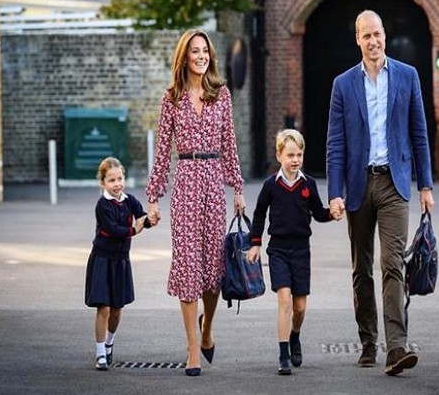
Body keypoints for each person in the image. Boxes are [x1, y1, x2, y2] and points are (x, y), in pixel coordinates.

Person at [326, 10, 435, 376]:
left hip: (394, 183)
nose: (373, 42)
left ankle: (397, 347)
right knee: (362, 270)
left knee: (393, 264)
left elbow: (419, 133)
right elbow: (335, 143)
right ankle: (369, 340)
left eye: (377, 34)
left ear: (384, 35)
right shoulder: (343, 85)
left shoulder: (407, 76)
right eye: (365, 36)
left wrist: (426, 185)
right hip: (358, 185)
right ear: (357, 39)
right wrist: (335, 193)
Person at [145, 29, 246, 377]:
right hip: (186, 181)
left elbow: (230, 144)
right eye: (195, 52)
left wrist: (238, 190)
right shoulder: (171, 98)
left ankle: (206, 331)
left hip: (214, 183)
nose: (201, 56)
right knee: (188, 265)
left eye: (205, 51)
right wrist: (154, 197)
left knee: (213, 273)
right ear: (184, 58)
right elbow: (161, 152)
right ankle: (191, 349)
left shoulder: (222, 95)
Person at [247, 129, 334, 375]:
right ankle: (283, 354)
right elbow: (259, 214)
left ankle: (295, 335)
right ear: (279, 156)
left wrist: (332, 213)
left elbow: (318, 213)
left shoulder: (308, 184)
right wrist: (255, 243)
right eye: (290, 155)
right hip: (278, 250)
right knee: (284, 300)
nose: (295, 160)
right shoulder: (270, 185)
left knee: (299, 307)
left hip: (301, 250)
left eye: (299, 154)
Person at [84, 156, 152, 371]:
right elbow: (112, 230)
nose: (117, 184)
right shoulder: (102, 206)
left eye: (120, 178)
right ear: (102, 182)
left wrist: (150, 219)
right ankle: (100, 353)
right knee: (103, 307)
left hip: (121, 260)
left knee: (117, 309)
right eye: (111, 180)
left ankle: (109, 342)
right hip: (103, 259)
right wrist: (134, 230)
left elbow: (142, 217)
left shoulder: (130, 200)